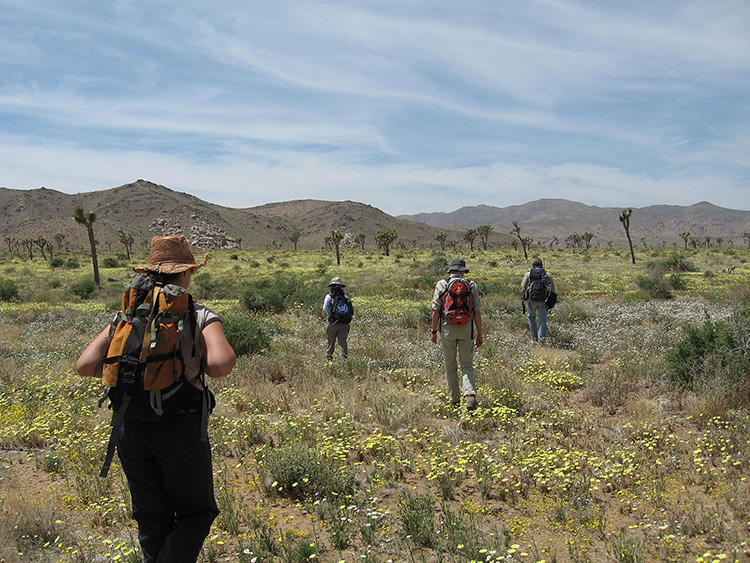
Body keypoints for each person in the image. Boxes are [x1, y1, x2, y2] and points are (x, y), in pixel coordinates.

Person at [76, 235, 236, 563]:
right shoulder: (198, 314)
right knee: (196, 513)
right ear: (188, 273)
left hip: (128, 427)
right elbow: (221, 365)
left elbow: (85, 365)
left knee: (152, 519)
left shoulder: (127, 316)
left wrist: (131, 374)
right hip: (179, 428)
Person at [430, 258, 483, 410]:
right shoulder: (471, 285)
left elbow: (435, 310)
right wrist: (480, 334)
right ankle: (470, 396)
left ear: (451, 270)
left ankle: (454, 400)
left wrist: (434, 331)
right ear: (463, 271)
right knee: (467, 365)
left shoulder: (442, 284)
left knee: (450, 365)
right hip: (467, 328)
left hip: (447, 328)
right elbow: (477, 312)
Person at [521, 257, 555, 342]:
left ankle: (534, 337)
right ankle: (541, 340)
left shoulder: (528, 274)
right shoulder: (547, 275)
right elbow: (553, 290)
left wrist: (525, 297)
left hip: (531, 300)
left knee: (531, 317)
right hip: (543, 300)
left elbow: (522, 288)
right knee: (542, 321)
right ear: (541, 265)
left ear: (533, 265)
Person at [323, 276, 353, 360]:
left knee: (331, 342)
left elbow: (325, 308)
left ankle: (329, 359)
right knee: (342, 342)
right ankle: (343, 360)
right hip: (345, 323)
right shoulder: (345, 296)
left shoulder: (329, 296)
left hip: (333, 322)